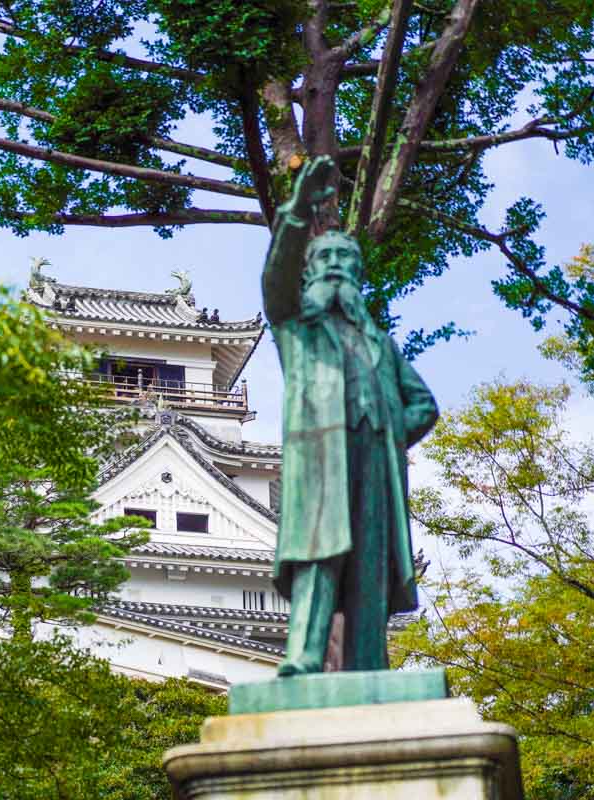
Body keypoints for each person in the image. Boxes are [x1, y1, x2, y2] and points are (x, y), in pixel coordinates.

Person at [262, 156, 438, 675]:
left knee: (369, 568)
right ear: (310, 270)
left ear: (359, 276)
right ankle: (303, 660)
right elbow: (275, 281)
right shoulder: (297, 329)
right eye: (326, 257)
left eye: (346, 258)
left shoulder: (380, 344)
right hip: (320, 459)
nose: (336, 263)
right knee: (319, 558)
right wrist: (297, 208)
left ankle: (368, 669)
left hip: (375, 462)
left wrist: (387, 435)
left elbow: (424, 404)